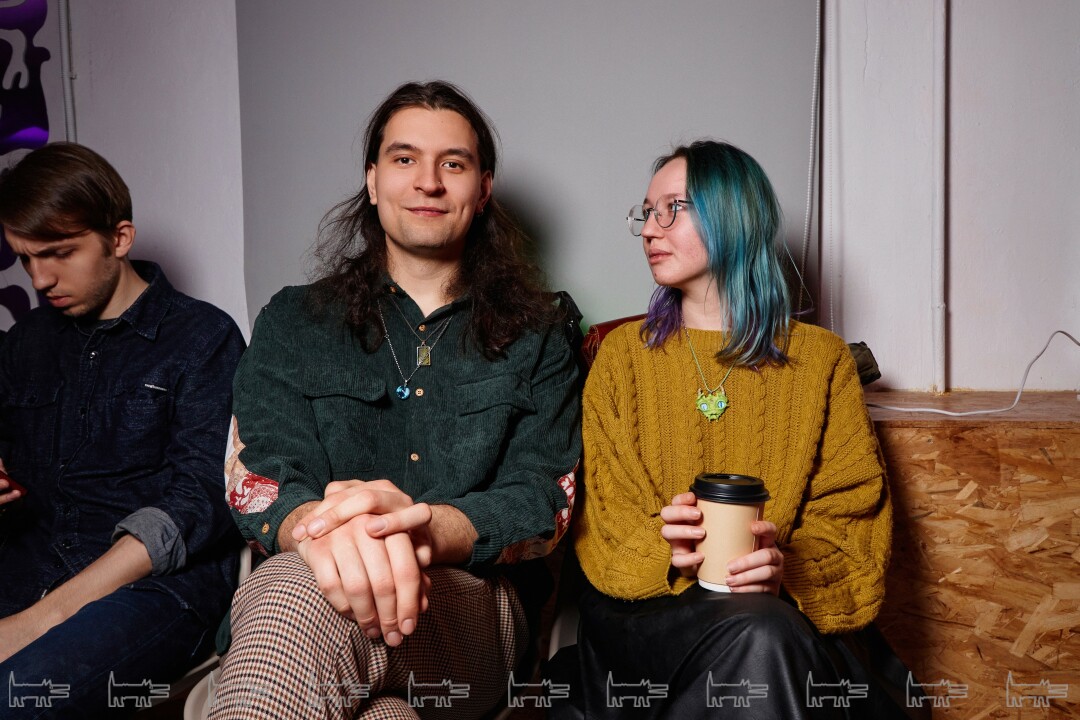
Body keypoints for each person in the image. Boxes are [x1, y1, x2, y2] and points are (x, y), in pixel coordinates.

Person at [209, 80, 581, 720]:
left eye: (453, 164)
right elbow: (260, 471)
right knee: (380, 706)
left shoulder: (540, 333)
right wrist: (321, 532)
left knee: (301, 591)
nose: (427, 182)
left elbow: (546, 499)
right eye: (404, 159)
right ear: (373, 180)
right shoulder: (294, 320)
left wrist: (418, 528)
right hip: (316, 593)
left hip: (470, 614)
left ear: (483, 189)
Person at [569, 140, 904, 719]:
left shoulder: (820, 361)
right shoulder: (621, 356)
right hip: (646, 620)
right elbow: (603, 522)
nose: (650, 230)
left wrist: (785, 569)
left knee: (765, 632)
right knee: (763, 637)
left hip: (779, 619)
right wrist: (666, 548)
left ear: (733, 216)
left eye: (673, 208)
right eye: (646, 213)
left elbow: (853, 523)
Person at [0, 142, 246, 717]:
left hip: (156, 590)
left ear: (120, 238)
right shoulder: (25, 343)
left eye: (60, 253)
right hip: (27, 564)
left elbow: (199, 500)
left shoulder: (203, 339)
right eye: (26, 259)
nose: (41, 278)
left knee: (16, 699)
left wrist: (41, 620)